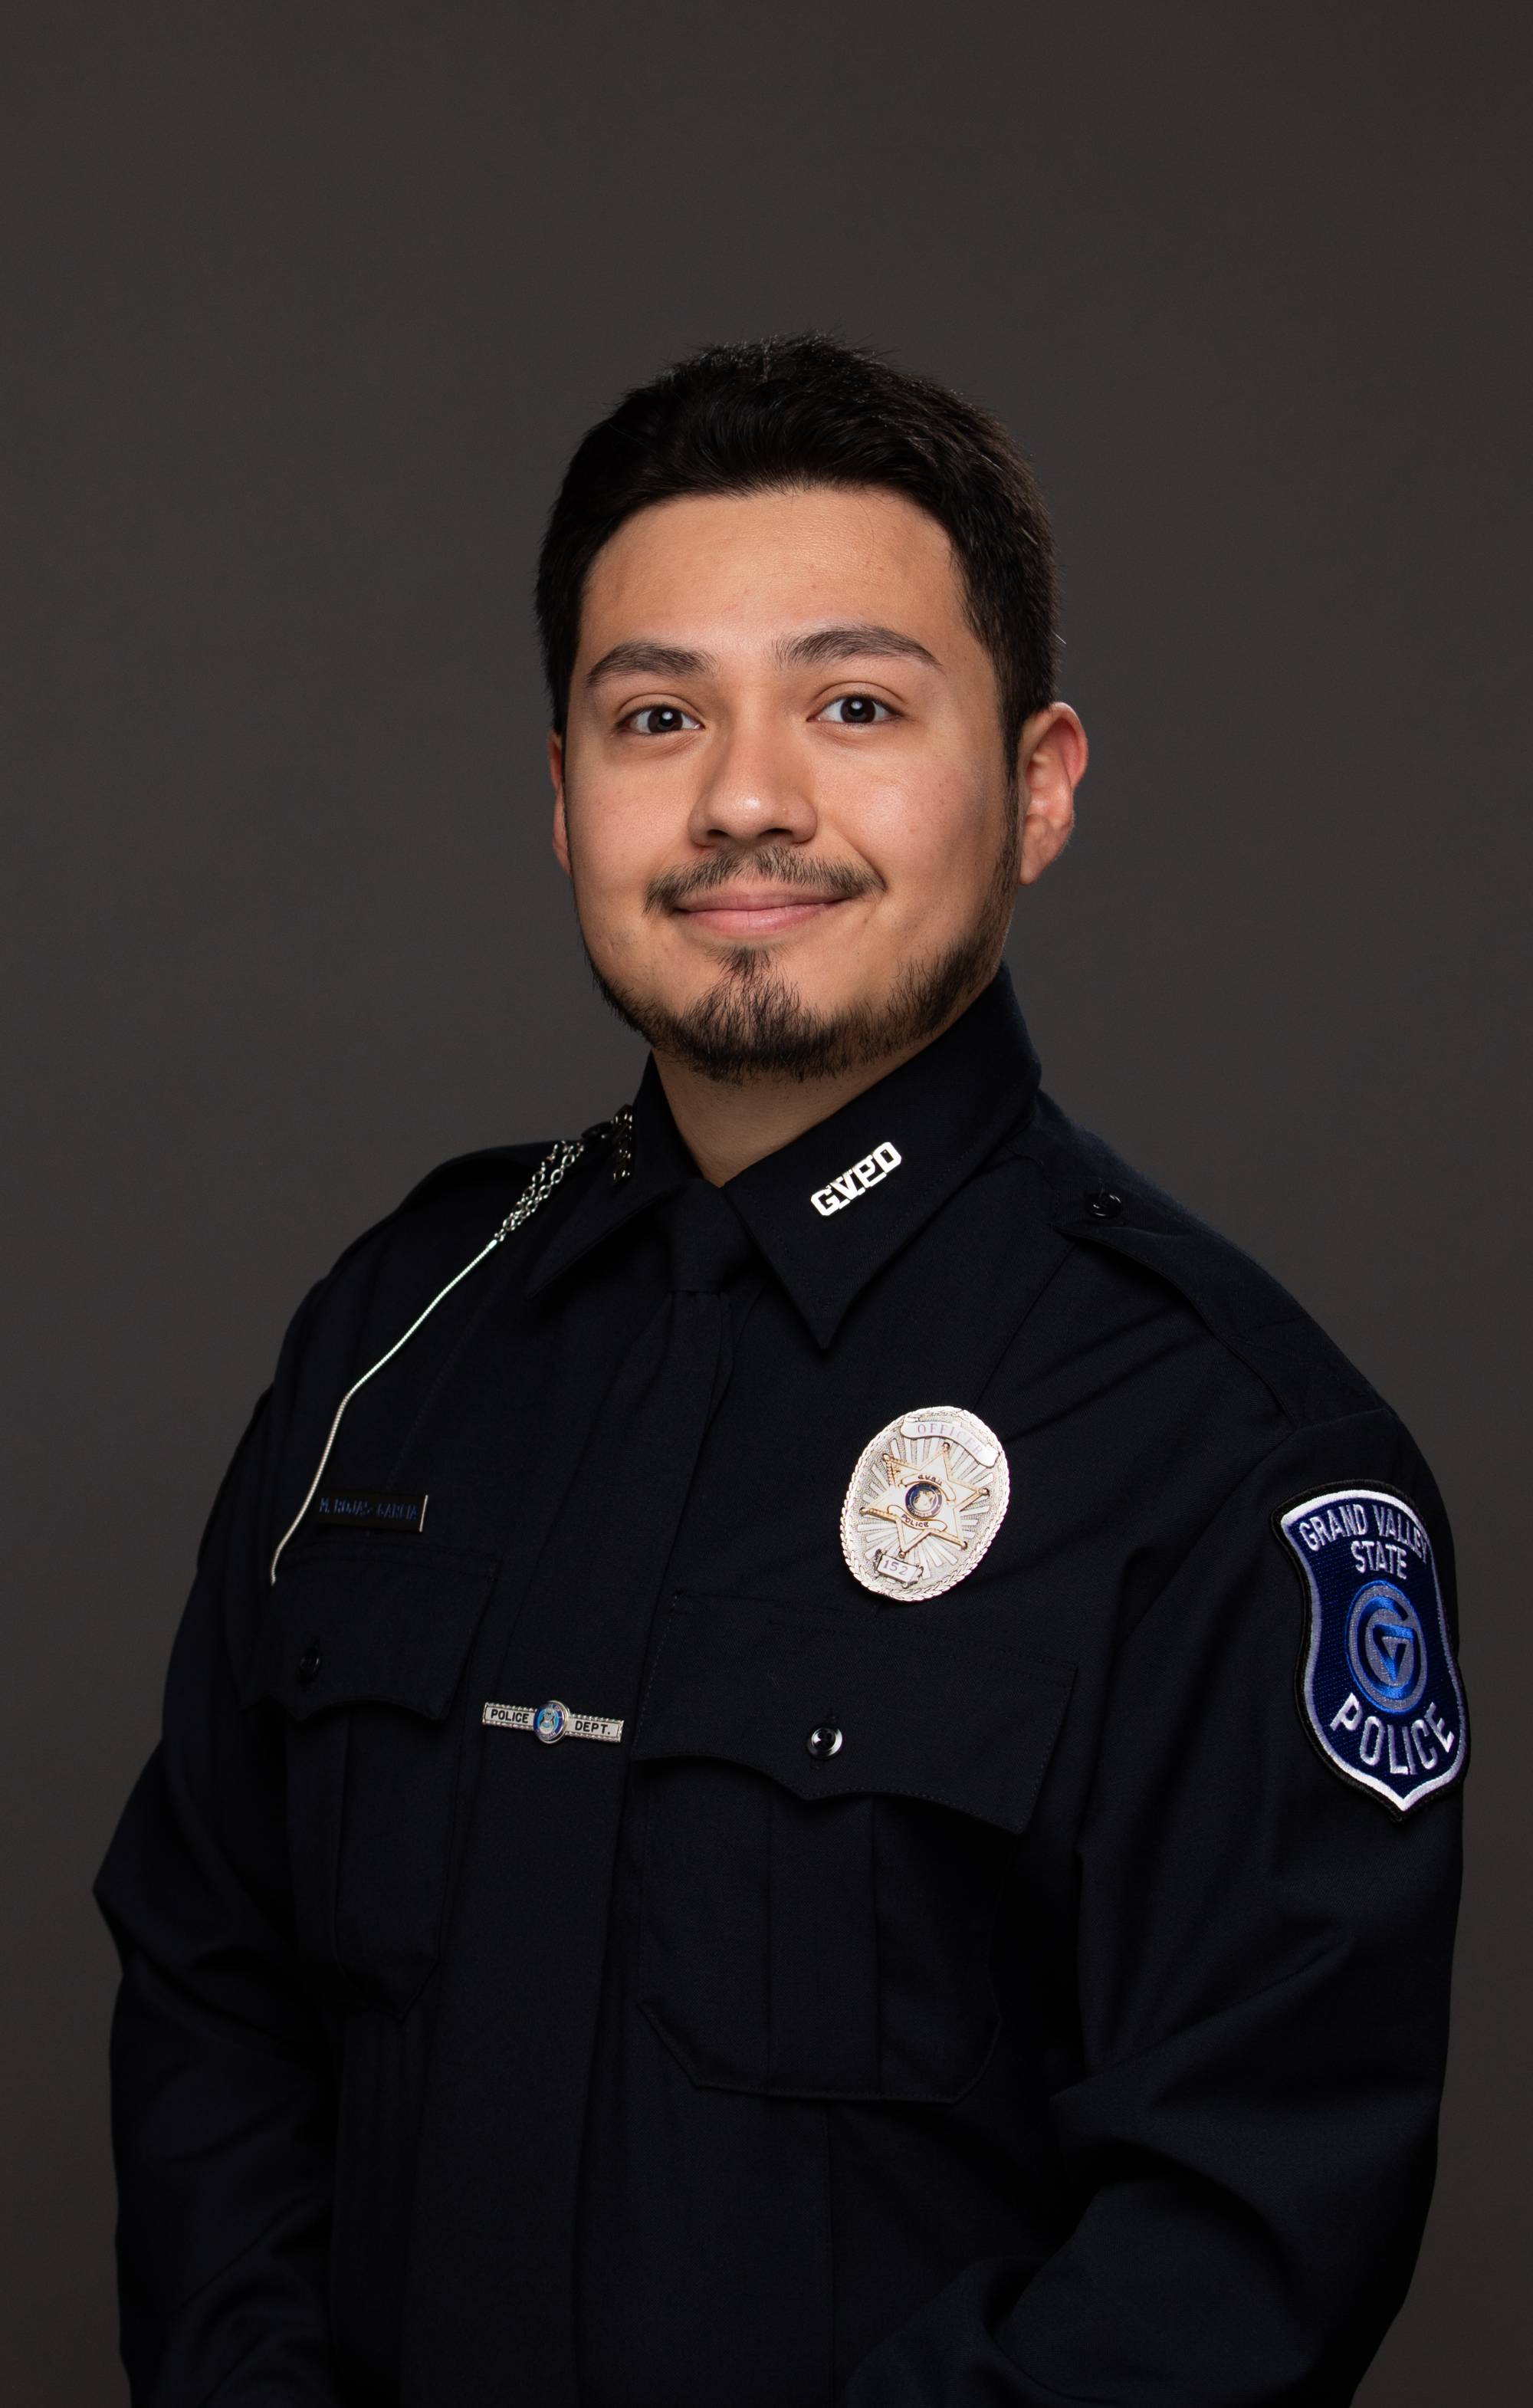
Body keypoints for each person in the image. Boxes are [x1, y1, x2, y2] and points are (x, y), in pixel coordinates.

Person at [97, 334, 1466, 2408]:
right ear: (560, 798)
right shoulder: (395, 1336)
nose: (746, 796)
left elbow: (1234, 2244)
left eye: (853, 703)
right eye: (657, 714)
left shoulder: (1230, 1450)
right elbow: (214, 1995)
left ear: (1037, 783)